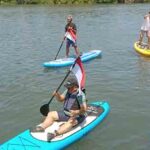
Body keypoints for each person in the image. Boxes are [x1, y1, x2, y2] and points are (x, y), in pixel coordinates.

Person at [31, 76, 87, 141]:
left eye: (69, 87)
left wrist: (76, 112)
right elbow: (61, 99)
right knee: (51, 114)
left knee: (71, 122)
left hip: (77, 116)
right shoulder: (68, 91)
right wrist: (57, 95)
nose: (67, 89)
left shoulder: (80, 95)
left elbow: (84, 109)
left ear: (75, 87)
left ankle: (55, 134)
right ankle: (42, 128)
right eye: (67, 87)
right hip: (66, 113)